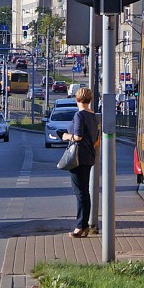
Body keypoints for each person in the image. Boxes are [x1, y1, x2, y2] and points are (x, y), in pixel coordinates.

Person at [63, 86, 99, 238]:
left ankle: (80, 226)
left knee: (80, 193)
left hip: (78, 157)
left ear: (77, 99)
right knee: (85, 192)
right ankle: (83, 225)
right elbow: (96, 138)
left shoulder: (80, 115)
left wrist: (66, 136)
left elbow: (78, 136)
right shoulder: (93, 116)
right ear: (90, 100)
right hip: (89, 156)